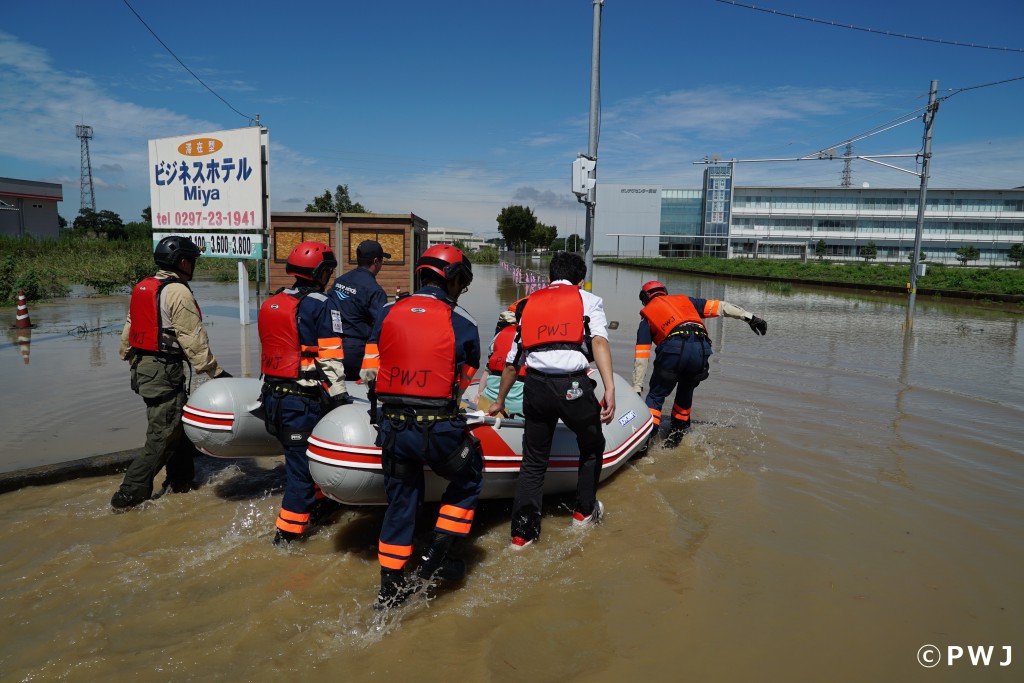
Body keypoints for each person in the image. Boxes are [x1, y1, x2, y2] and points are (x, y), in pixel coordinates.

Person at [359, 244, 482, 609]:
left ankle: (389, 588)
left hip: (393, 429)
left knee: (401, 502)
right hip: (438, 431)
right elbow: (463, 382)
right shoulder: (464, 322)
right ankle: (437, 556)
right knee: (470, 476)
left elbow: (369, 370)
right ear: (452, 279)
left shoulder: (386, 312)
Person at [488, 252, 615, 548]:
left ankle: (522, 534)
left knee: (533, 460)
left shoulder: (529, 304)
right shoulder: (588, 300)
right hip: (572, 385)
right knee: (593, 443)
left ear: (547, 279)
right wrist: (608, 387)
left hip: (536, 386)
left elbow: (512, 362)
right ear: (581, 280)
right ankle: (583, 513)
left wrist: (499, 399)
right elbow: (598, 341)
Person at [112, 235, 230, 509]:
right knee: (163, 435)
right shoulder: (178, 291)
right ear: (183, 262)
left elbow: (129, 330)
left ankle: (181, 483)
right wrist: (216, 372)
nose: (194, 266)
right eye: (193, 261)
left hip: (144, 368)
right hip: (163, 370)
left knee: (177, 427)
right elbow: (192, 338)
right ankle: (128, 495)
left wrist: (129, 358)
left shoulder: (144, 286)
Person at [258, 241, 349, 545]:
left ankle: (322, 506)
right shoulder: (323, 303)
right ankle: (285, 539)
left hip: (271, 396)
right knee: (299, 474)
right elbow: (332, 356)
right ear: (321, 272)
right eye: (329, 271)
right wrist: (340, 398)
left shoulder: (273, 302)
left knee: (300, 462)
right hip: (301, 400)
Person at [632, 280, 767, 448]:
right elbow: (721, 306)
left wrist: (637, 387)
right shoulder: (686, 301)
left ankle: (645, 441)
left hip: (673, 349)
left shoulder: (648, 315)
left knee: (656, 396)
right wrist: (750, 317)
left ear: (644, 298)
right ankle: (676, 436)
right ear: (665, 292)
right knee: (685, 391)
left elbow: (642, 355)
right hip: (701, 349)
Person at [331, 240, 390, 381]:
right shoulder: (375, 291)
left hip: (332, 349)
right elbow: (381, 327)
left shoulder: (339, 281)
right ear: (376, 261)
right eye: (382, 261)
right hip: (356, 354)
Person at [474, 308, 526, 416]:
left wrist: (479, 394)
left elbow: (487, 371)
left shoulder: (498, 337)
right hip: (520, 404)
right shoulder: (534, 338)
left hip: (489, 400)